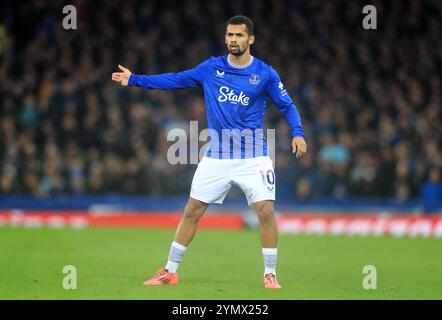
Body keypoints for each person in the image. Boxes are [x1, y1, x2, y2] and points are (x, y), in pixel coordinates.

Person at [112, 15, 307, 289]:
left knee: (265, 210)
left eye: (239, 35)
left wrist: (297, 132)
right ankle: (169, 271)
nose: (233, 40)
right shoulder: (211, 69)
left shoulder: (265, 74)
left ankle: (270, 274)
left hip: (254, 156)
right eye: (230, 35)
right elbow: (176, 80)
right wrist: (135, 80)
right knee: (192, 210)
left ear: (251, 39)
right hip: (217, 156)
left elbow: (287, 106)